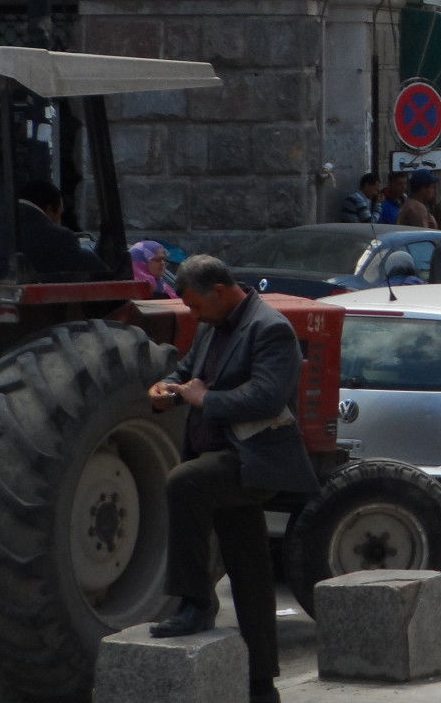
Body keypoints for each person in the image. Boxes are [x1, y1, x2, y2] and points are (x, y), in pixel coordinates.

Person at [145, 256, 318, 703]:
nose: (195, 316)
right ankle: (262, 684)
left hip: (254, 460)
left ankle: (195, 601)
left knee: (184, 482)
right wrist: (164, 389)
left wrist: (205, 399)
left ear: (221, 290)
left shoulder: (270, 328)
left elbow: (266, 395)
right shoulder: (211, 325)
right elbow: (186, 372)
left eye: (198, 305)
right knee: (250, 571)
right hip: (223, 458)